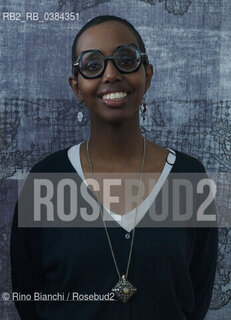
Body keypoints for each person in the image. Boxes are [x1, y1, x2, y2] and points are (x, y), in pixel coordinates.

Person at [11, 15, 218, 320]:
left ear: (147, 75)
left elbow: (196, 295)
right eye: (92, 65)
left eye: (125, 59)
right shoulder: (45, 180)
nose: (110, 74)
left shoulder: (189, 178)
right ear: (77, 86)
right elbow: (28, 297)